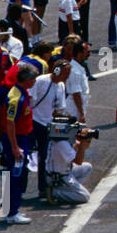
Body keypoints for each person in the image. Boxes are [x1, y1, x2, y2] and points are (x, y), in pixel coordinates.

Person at [29, 58, 69, 200]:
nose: (67, 77)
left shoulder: (61, 86)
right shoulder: (41, 81)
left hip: (47, 125)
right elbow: (30, 99)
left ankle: (42, 188)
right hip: (33, 121)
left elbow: (60, 108)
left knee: (44, 157)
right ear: (57, 71)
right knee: (24, 155)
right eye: (65, 73)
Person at [2, 63, 37, 224]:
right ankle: (11, 212)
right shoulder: (16, 98)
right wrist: (15, 147)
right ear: (28, 80)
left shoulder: (22, 93)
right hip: (16, 139)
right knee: (15, 175)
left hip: (22, 138)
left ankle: (13, 209)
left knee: (19, 174)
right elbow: (10, 123)